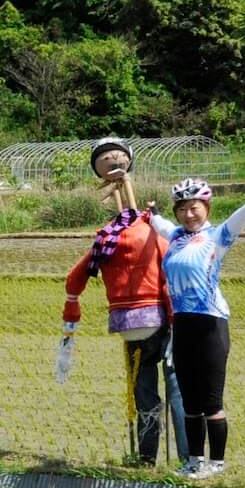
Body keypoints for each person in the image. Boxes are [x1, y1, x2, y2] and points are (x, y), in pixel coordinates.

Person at [145, 162, 245, 478]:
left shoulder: (218, 236)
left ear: (206, 207)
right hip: (183, 326)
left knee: (211, 401)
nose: (189, 214)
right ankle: (194, 462)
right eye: (183, 209)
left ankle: (216, 463)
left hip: (210, 325)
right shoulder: (175, 236)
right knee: (190, 401)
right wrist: (147, 212)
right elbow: (155, 222)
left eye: (195, 208)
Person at [62, 137, 181, 464]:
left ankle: (148, 458)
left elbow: (75, 277)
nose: (113, 160)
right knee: (173, 389)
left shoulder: (110, 236)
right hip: (159, 321)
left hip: (133, 325)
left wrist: (71, 307)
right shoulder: (145, 230)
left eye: (116, 157)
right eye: (106, 158)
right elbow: (170, 270)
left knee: (145, 394)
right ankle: (186, 459)